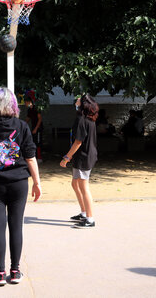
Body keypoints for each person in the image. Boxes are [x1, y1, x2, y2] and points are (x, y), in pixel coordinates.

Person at [0, 87, 42, 286]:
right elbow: (30, 157)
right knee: (16, 225)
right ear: (13, 105)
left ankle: (0, 273)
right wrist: (37, 182)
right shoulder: (21, 126)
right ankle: (16, 270)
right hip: (19, 182)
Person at [60, 94, 99, 228]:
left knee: (83, 187)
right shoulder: (87, 119)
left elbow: (78, 142)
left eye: (79, 100)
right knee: (75, 184)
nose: (76, 100)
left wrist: (66, 157)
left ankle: (90, 219)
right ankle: (84, 213)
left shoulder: (82, 120)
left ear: (83, 104)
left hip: (84, 157)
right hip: (84, 156)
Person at [24, 94, 43, 162]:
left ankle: (40, 157)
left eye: (25, 102)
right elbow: (27, 119)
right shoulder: (29, 110)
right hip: (33, 128)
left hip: (38, 128)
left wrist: (36, 128)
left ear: (29, 102)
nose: (25, 104)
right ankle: (35, 156)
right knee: (33, 142)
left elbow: (40, 119)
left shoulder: (36, 108)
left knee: (38, 142)